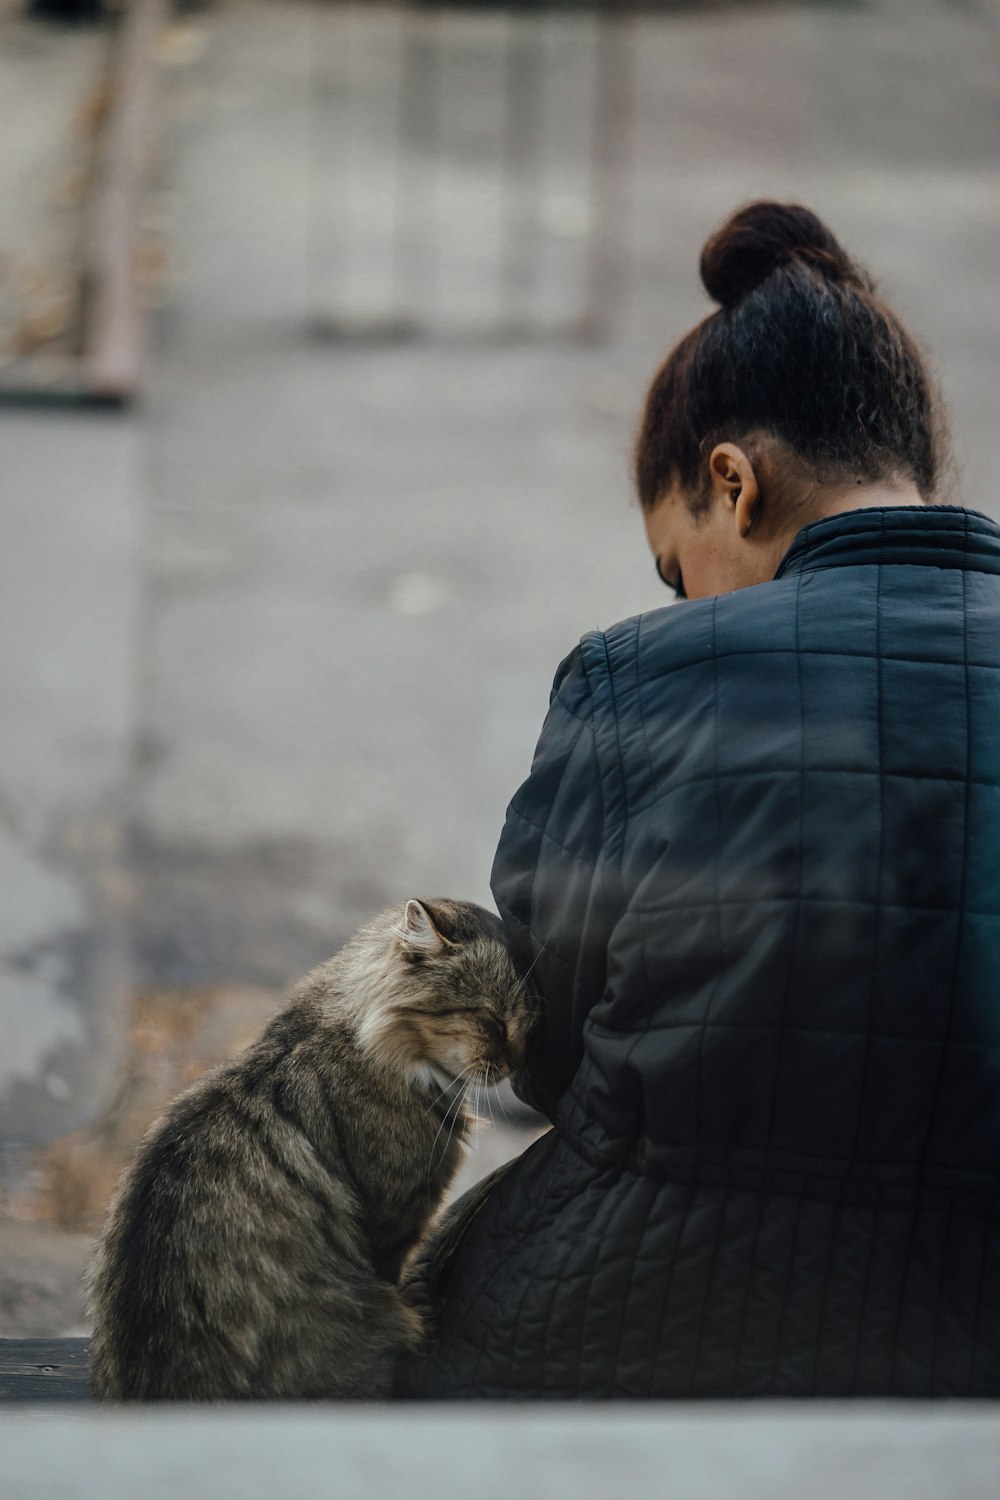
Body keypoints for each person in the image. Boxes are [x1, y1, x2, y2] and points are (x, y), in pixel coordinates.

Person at [400, 202, 1000, 1398]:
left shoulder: (640, 676)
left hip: (623, 1316)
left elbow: (546, 1045)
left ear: (733, 481)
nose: (686, 604)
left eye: (677, 570)